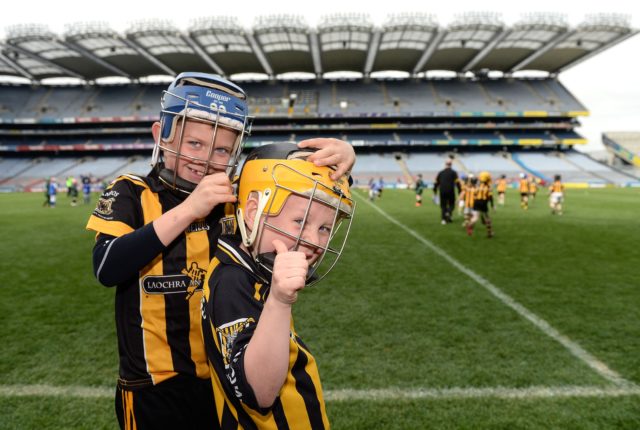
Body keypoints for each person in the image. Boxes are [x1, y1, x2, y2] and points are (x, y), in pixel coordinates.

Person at [85, 72, 355, 430]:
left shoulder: (233, 200)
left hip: (221, 379)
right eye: (194, 143)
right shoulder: (131, 192)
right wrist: (188, 210)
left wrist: (345, 158)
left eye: (222, 149)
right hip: (152, 387)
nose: (206, 158)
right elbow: (107, 267)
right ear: (160, 136)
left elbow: (294, 188)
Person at [201, 143, 355, 429]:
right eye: (300, 220)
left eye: (324, 228)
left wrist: (346, 160)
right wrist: (280, 301)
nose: (314, 240)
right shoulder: (233, 282)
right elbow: (258, 392)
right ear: (252, 212)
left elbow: (251, 177)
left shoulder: (249, 262)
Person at [467, 171, 494, 238]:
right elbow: (490, 197)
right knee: (487, 218)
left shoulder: (477, 185)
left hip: (476, 202)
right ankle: (489, 233)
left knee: (475, 217)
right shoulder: (488, 186)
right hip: (483, 202)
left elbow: (475, 194)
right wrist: (492, 205)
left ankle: (470, 225)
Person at [433, 158, 461, 224]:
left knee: (443, 205)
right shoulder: (454, 173)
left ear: (445, 164)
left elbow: (436, 182)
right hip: (450, 190)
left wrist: (435, 190)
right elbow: (457, 182)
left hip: (442, 191)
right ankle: (448, 212)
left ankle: (443, 220)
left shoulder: (441, 172)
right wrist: (460, 191)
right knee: (452, 204)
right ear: (451, 165)